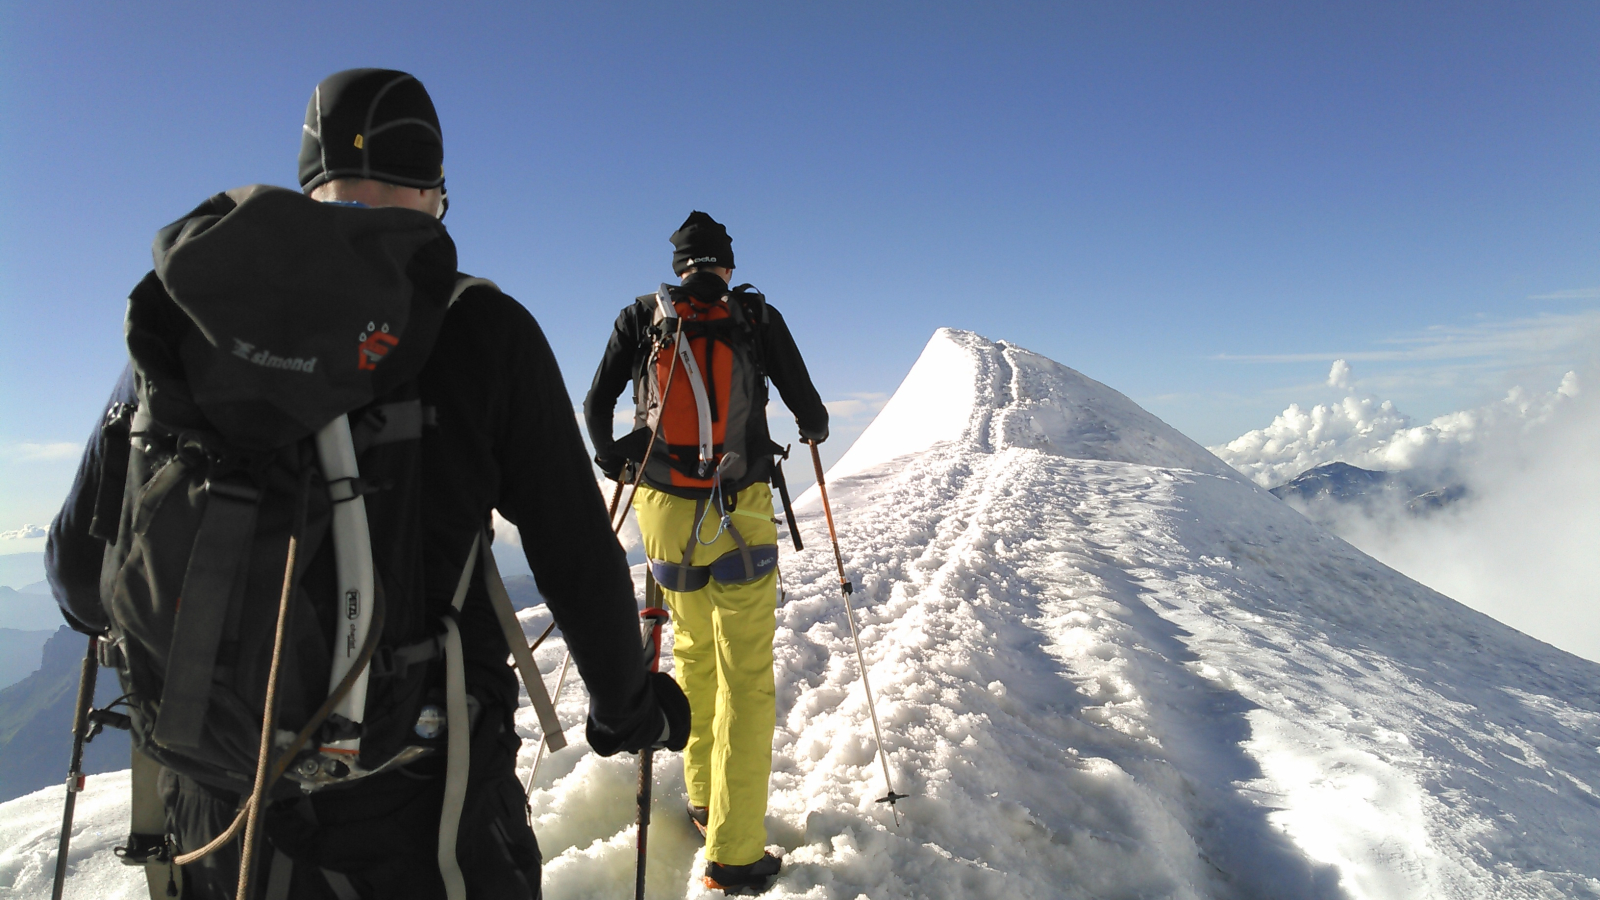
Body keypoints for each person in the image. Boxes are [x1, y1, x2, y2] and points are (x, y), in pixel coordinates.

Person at [46, 68, 688, 899]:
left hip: (217, 823)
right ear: (436, 193)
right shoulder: (482, 328)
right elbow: (573, 552)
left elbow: (75, 576)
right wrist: (627, 711)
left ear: (311, 183)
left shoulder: (197, 316)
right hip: (424, 814)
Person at [583, 212, 828, 894]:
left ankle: (699, 797)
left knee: (691, 648)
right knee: (746, 675)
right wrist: (810, 427)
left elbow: (595, 404)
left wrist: (615, 459)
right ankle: (735, 851)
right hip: (738, 509)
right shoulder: (753, 317)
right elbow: (811, 410)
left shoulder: (642, 317)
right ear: (725, 263)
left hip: (661, 512)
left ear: (680, 264)